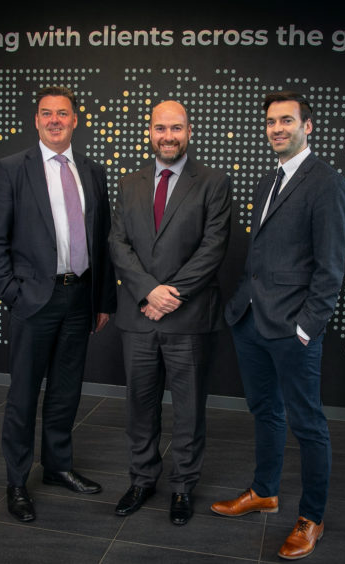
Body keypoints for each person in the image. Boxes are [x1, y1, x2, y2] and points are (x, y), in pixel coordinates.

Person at [211, 91, 345, 560]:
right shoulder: (270, 181)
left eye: (287, 121)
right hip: (250, 320)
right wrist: (242, 308)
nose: (277, 129)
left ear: (308, 126)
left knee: (308, 424)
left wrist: (308, 326)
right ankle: (265, 492)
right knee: (265, 410)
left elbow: (330, 268)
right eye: (271, 122)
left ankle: (311, 518)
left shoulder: (325, 182)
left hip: (293, 329)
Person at [0, 86, 116, 523]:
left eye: (63, 113)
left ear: (77, 120)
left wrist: (102, 299)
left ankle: (58, 466)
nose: (55, 120)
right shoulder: (11, 169)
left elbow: (103, 241)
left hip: (80, 297)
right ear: (36, 120)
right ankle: (17, 481)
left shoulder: (93, 172)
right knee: (23, 394)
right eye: (47, 114)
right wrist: (14, 296)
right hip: (34, 300)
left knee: (65, 390)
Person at [108, 100, 231, 525]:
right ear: (149, 132)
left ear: (189, 131)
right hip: (139, 316)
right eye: (160, 128)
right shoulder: (129, 183)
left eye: (176, 128)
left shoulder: (213, 182)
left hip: (189, 317)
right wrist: (148, 292)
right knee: (140, 407)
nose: (168, 136)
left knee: (189, 409)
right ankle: (142, 479)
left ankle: (182, 487)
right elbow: (118, 244)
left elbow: (213, 246)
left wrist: (171, 293)